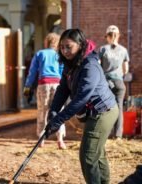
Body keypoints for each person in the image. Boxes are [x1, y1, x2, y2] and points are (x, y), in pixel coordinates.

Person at [45, 29, 119, 184]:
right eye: (62, 47)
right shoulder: (71, 63)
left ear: (80, 45)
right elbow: (63, 89)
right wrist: (53, 111)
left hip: (103, 111)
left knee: (88, 155)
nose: (65, 51)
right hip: (94, 111)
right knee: (97, 152)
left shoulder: (89, 65)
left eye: (69, 47)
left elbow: (81, 98)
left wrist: (58, 121)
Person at [23, 32, 66, 149]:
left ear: (46, 42)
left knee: (43, 111)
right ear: (57, 43)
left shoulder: (40, 53)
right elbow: (63, 71)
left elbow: (32, 72)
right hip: (57, 84)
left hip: (44, 84)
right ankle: (60, 139)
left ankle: (41, 139)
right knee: (59, 111)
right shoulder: (59, 55)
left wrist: (27, 87)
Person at [99, 25, 130, 139]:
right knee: (119, 108)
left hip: (106, 82)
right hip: (119, 83)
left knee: (105, 108)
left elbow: (97, 65)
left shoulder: (103, 49)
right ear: (118, 36)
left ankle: (104, 134)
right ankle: (118, 135)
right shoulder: (123, 50)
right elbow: (125, 69)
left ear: (107, 36)